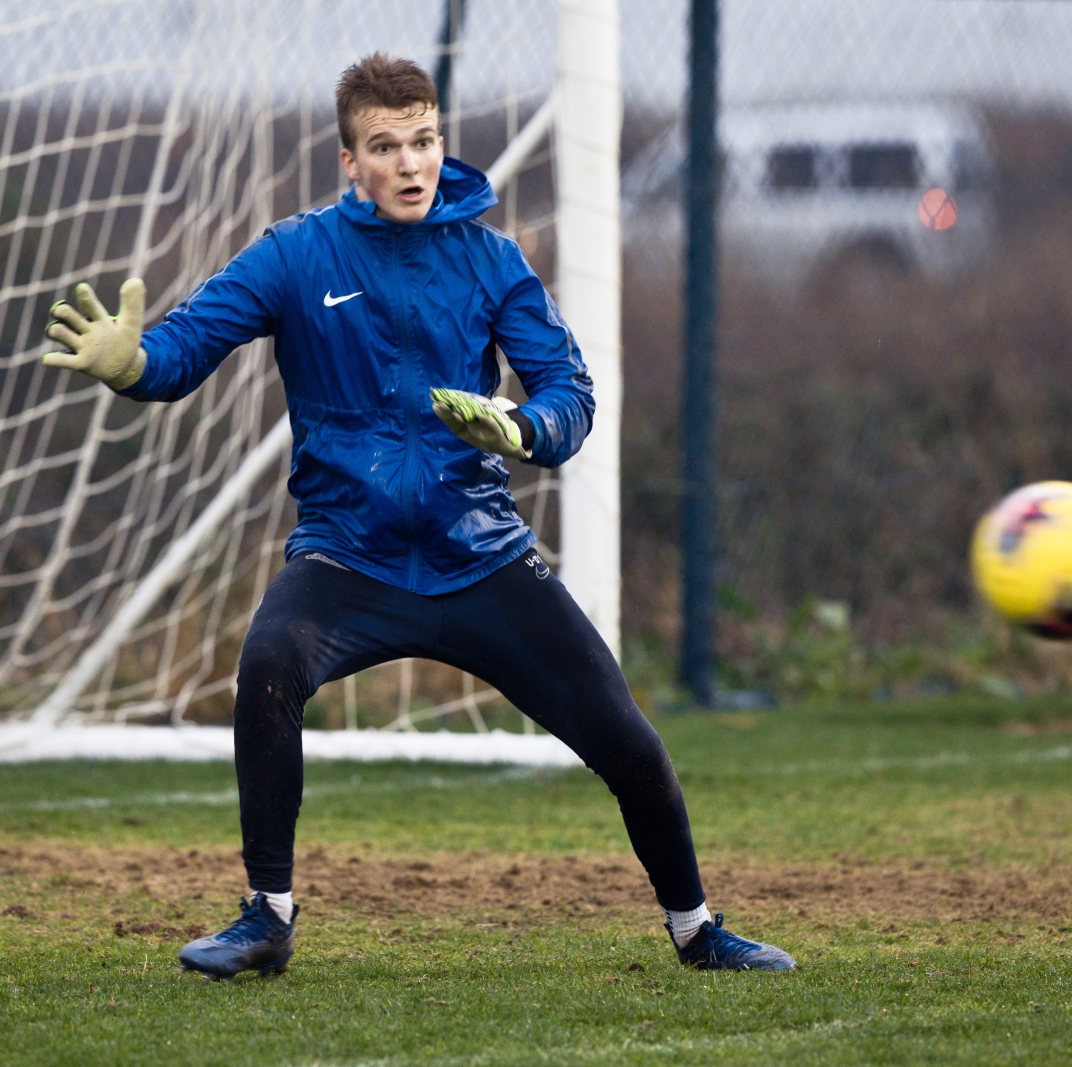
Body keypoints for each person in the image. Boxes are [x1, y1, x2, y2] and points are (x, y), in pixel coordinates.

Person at [42, 53, 793, 979]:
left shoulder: (491, 259)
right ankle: (267, 916)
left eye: (425, 141)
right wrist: (132, 364)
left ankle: (697, 929)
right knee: (269, 661)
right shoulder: (295, 253)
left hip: (478, 556)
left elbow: (570, 394)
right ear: (349, 160)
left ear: (443, 143)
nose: (411, 163)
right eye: (387, 146)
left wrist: (521, 425)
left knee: (625, 736)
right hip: (346, 558)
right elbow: (185, 348)